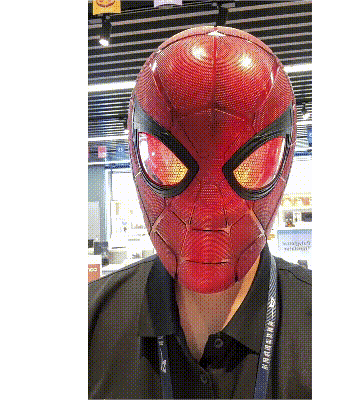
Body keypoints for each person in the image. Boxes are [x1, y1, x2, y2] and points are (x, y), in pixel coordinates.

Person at [89, 26, 311, 399]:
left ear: (283, 158)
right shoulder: (91, 323)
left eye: (251, 165)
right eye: (169, 161)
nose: (207, 213)